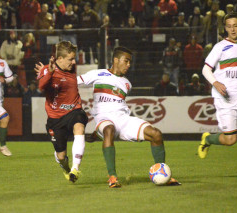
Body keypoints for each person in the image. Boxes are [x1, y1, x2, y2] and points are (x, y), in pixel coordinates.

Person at [77, 47, 181, 188]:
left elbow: (117, 107)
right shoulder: (97, 74)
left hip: (123, 119)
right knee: (109, 129)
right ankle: (112, 177)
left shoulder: (127, 84)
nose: (129, 65)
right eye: (126, 61)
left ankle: (163, 174)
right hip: (104, 118)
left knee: (156, 134)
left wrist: (96, 134)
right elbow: (73, 82)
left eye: (130, 62)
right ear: (116, 60)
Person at [198, 12, 237, 159]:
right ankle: (208, 139)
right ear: (226, 28)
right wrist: (215, 83)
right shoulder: (220, 47)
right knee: (230, 140)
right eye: (229, 27)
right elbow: (205, 69)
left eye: (235, 26)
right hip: (226, 100)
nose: (233, 29)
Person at [35, 41, 88, 183]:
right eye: (70, 59)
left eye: (73, 58)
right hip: (55, 119)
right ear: (59, 59)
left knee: (79, 126)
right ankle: (66, 168)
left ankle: (75, 169)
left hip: (74, 110)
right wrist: (49, 72)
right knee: (61, 156)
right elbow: (41, 86)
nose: (73, 62)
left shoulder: (71, 68)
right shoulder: (47, 70)